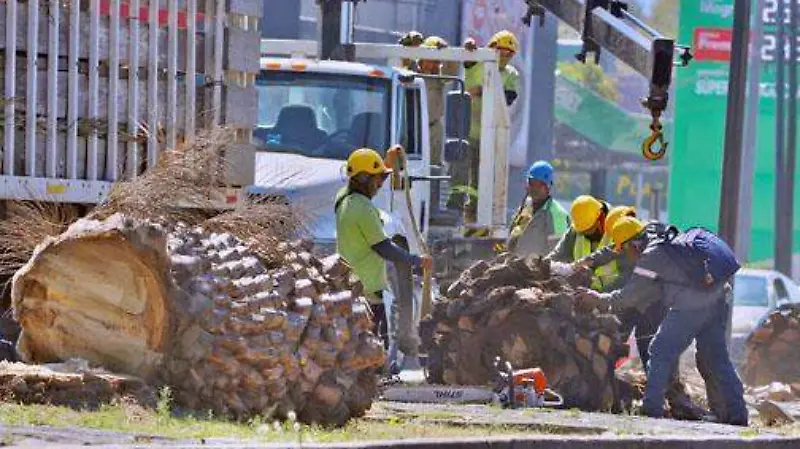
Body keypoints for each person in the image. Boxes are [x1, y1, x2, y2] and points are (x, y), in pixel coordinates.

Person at [576, 217, 748, 425]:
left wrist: (597, 299)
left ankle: (651, 411)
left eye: (625, 250)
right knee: (717, 357)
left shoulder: (650, 257)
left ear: (634, 245)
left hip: (693, 304)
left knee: (659, 350)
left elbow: (627, 298)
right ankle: (738, 413)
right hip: (719, 296)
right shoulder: (660, 235)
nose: (626, 256)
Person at [334, 148, 433, 359]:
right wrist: (416, 261)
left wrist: (385, 165)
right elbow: (384, 248)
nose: (380, 185)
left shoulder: (343, 199)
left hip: (349, 284)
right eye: (377, 180)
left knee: (355, 346)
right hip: (367, 290)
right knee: (373, 347)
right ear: (363, 179)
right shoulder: (363, 209)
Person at [448, 30, 521, 223]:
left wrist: (482, 90)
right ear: (491, 48)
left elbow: (508, 97)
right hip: (465, 131)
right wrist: (469, 44)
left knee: (481, 178)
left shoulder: (511, 75)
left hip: (488, 135)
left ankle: (473, 214)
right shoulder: (476, 63)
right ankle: (454, 210)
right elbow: (468, 53)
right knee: (459, 173)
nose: (504, 57)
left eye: (509, 54)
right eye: (501, 52)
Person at [547, 195, 619, 291]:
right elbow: (556, 256)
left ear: (600, 217)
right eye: (583, 232)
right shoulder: (576, 230)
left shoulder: (619, 230)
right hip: (582, 296)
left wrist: (601, 293)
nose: (587, 234)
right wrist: (542, 265)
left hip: (612, 298)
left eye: (590, 229)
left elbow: (627, 276)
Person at [506, 161, 570, 257]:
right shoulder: (525, 207)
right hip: (516, 267)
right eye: (531, 183)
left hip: (539, 270)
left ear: (548, 186)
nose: (534, 188)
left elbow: (559, 253)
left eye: (539, 185)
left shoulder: (557, 214)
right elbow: (514, 232)